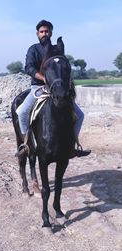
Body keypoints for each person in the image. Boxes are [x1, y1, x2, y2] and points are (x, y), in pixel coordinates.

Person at [16, 19, 91, 158]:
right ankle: (26, 145)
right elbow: (29, 68)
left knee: (80, 115)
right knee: (22, 112)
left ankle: (72, 145)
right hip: (38, 88)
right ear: (37, 34)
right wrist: (44, 78)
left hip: (57, 89)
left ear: (51, 33)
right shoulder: (33, 49)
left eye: (47, 31)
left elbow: (62, 67)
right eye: (41, 31)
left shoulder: (57, 49)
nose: (44, 33)